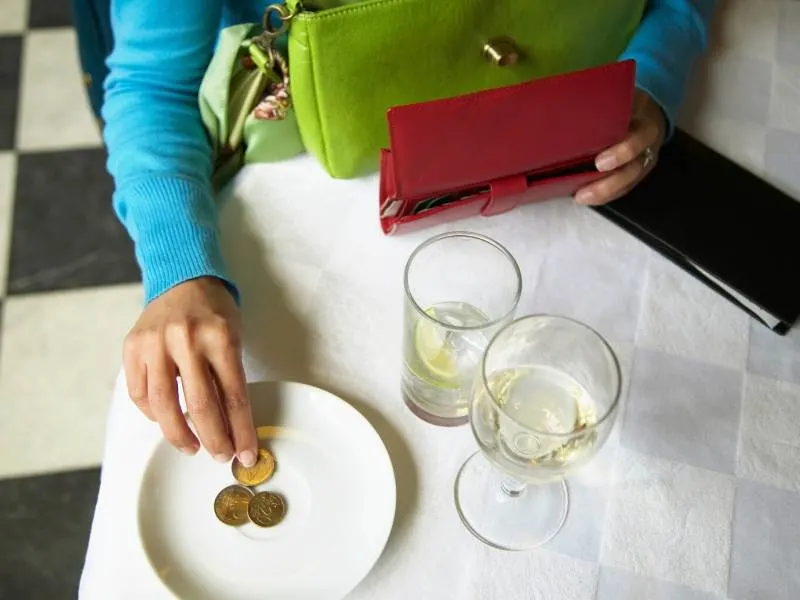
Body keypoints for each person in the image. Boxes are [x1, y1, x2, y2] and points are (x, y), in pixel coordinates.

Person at [72, 0, 715, 468]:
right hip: (311, 183)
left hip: (563, 146)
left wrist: (652, 80)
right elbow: (152, 87)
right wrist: (182, 267)